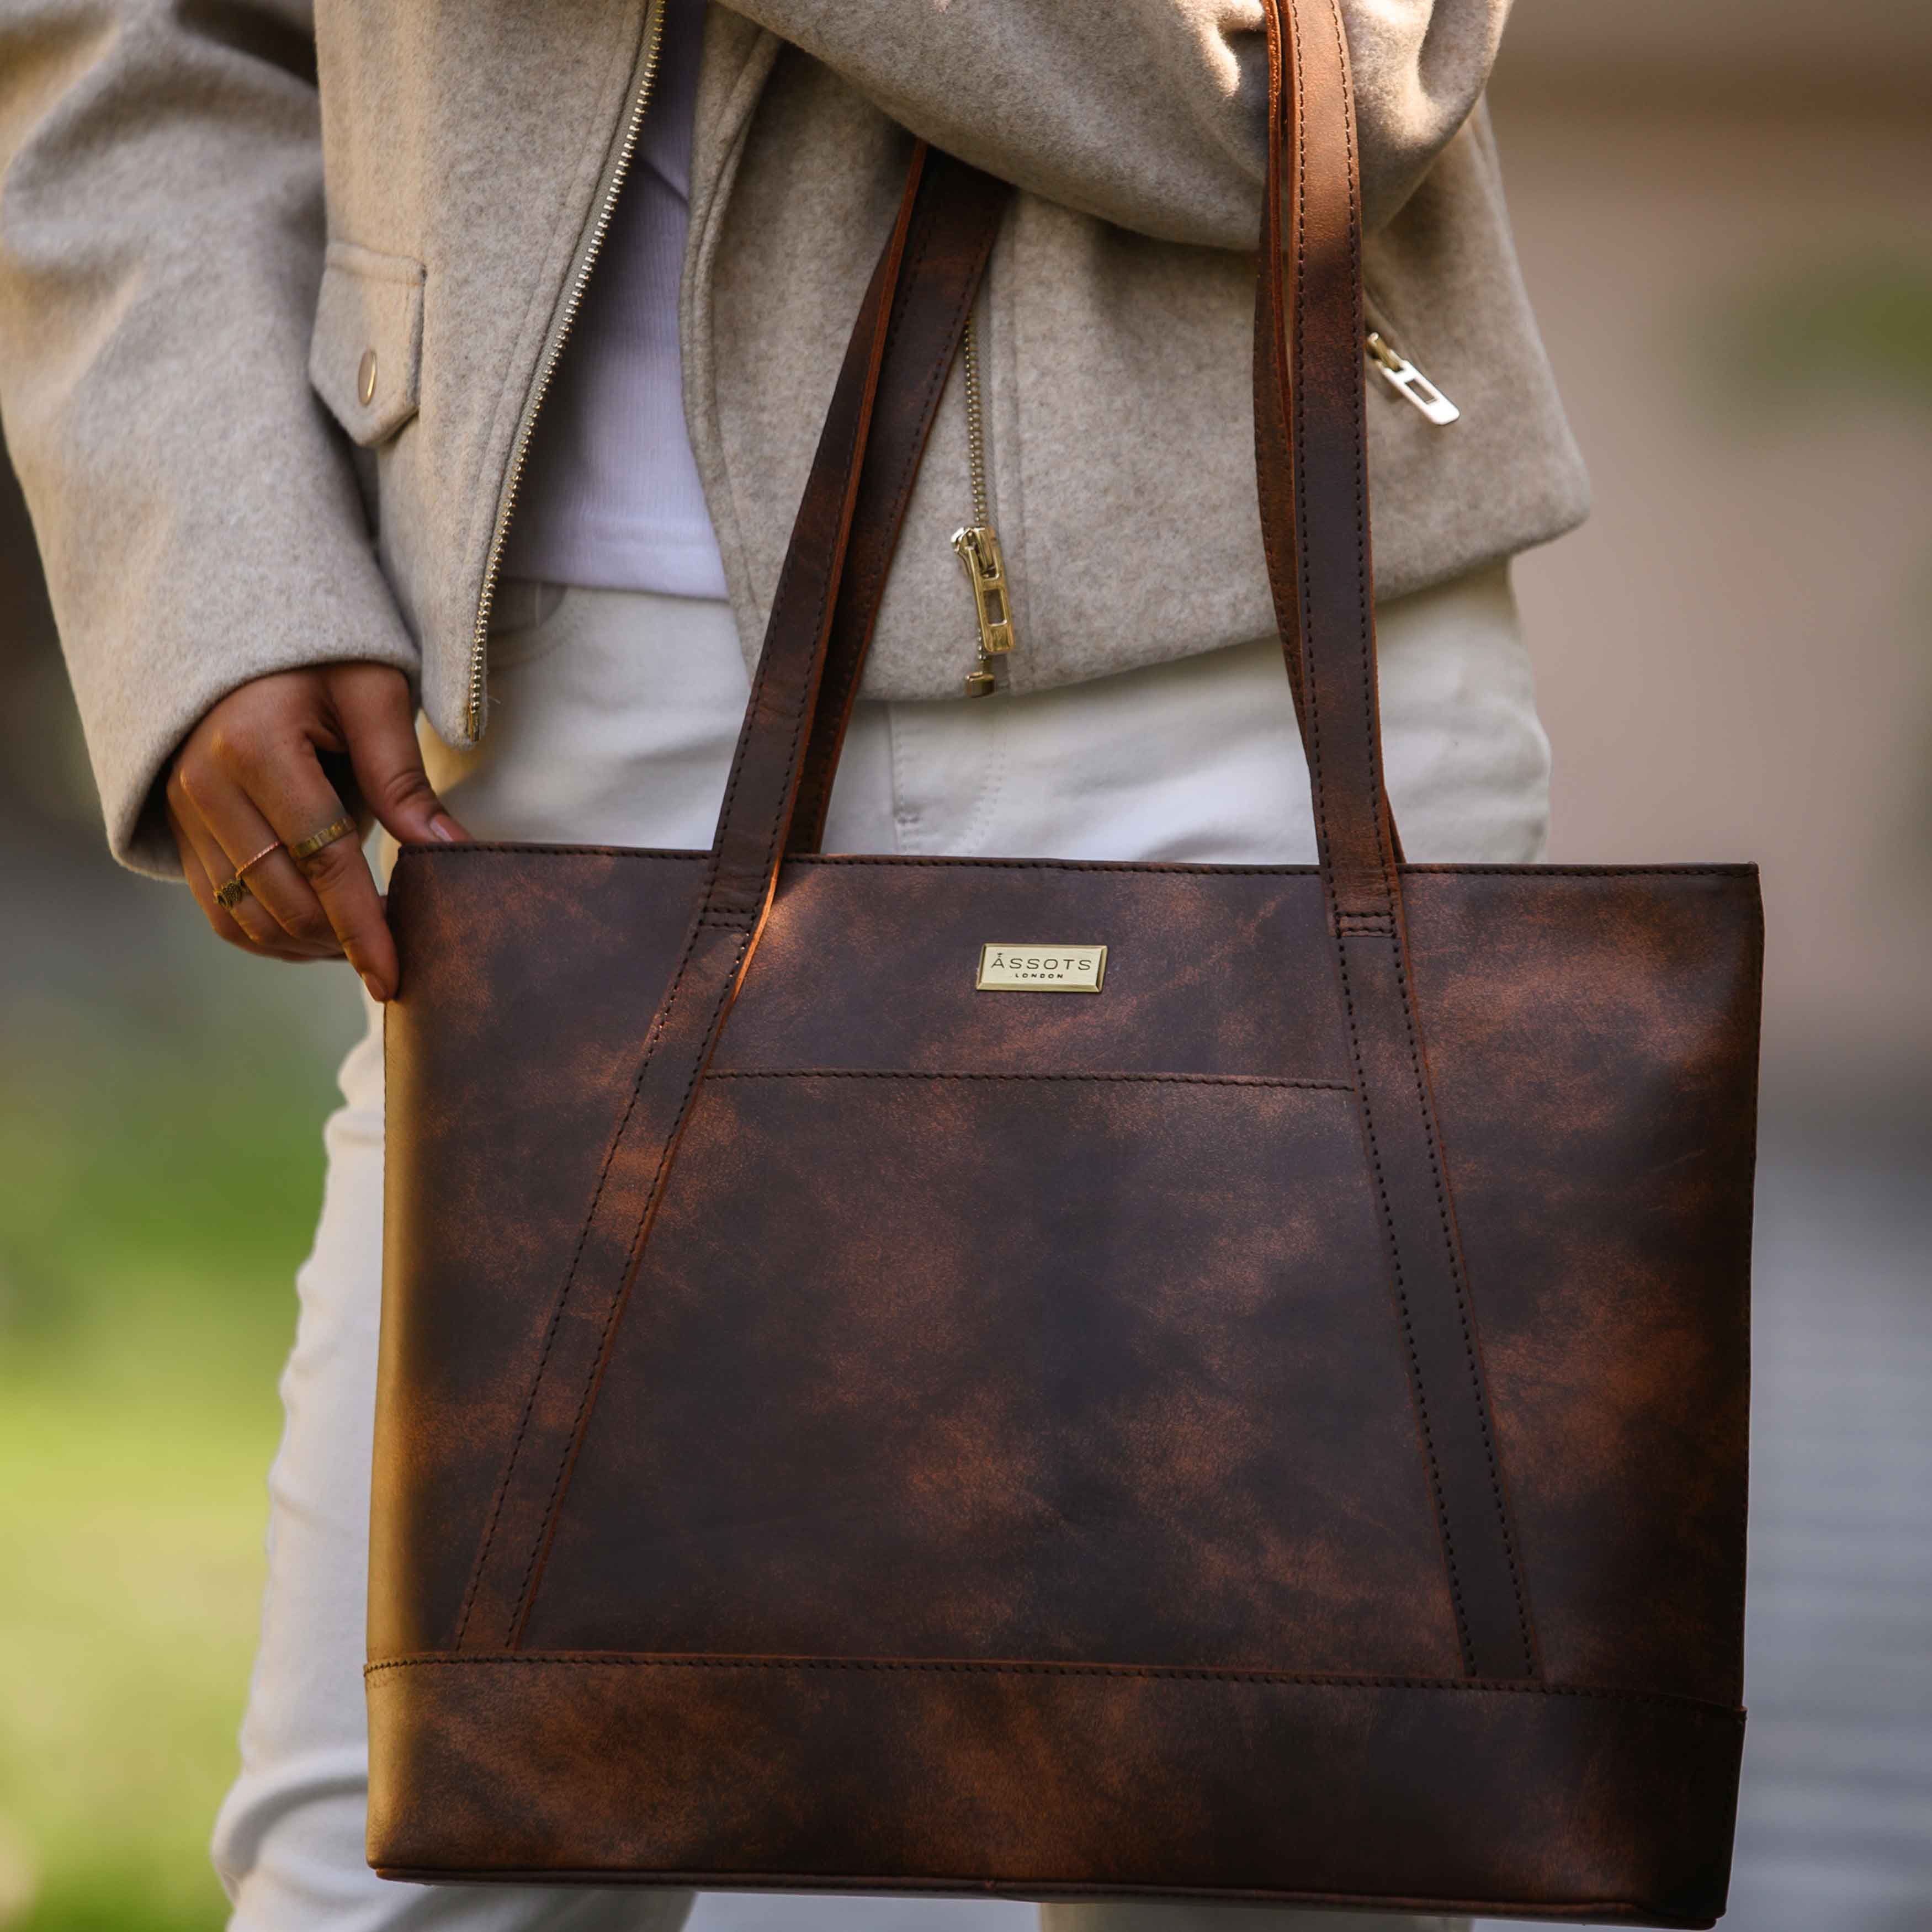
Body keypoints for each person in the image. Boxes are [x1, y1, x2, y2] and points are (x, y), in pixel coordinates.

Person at [0, 2, 1587, 1928]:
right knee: (401, 1867)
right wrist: (217, 556)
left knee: (1264, 1849)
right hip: (548, 735)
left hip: (1223, 694)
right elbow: (133, 49)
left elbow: (1294, 81)